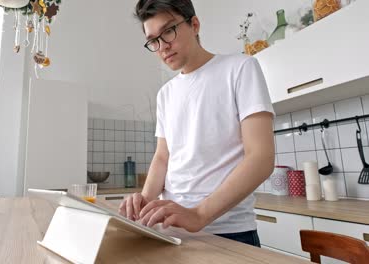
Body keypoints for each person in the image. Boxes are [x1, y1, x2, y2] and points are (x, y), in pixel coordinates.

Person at [118, 0, 275, 247]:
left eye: (168, 31)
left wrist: (199, 214)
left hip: (228, 231)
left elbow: (261, 157)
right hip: (169, 228)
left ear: (194, 24)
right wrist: (144, 201)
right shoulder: (165, 94)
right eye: (153, 40)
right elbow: (163, 157)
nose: (162, 47)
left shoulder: (240, 68)